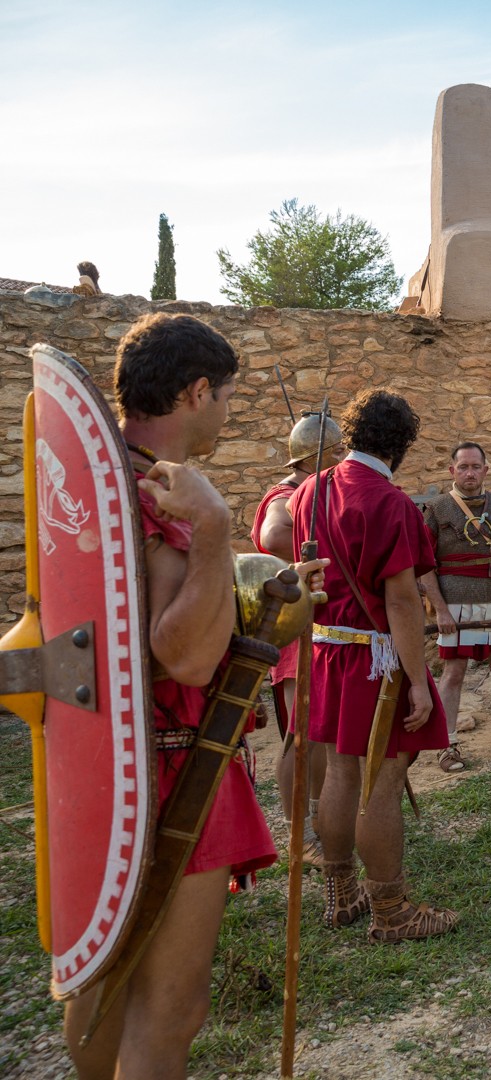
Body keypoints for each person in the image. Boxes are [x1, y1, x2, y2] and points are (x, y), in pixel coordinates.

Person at [64, 313, 285, 1075]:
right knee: (168, 1009)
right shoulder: (168, 498)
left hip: (98, 768)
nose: (227, 412)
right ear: (196, 393)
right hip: (175, 772)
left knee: (104, 986)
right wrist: (219, 525)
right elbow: (184, 659)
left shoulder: (96, 481)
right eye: (225, 396)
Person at [291, 389, 458, 943]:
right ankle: (390, 909)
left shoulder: (309, 490)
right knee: (381, 778)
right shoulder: (390, 503)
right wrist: (418, 681)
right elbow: (402, 601)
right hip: (373, 656)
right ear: (403, 444)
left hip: (325, 648)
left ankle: (341, 894)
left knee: (340, 772)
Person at [253, 411, 343, 859]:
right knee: (301, 732)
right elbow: (273, 534)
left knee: (320, 731)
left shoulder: (314, 492)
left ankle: (316, 820)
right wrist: (321, 546)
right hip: (295, 625)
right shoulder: (286, 495)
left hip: (318, 624)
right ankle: (297, 832)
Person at [418, 441, 491, 771]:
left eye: (476, 467)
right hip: (454, 604)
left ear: (485, 470)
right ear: (452, 470)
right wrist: (440, 609)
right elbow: (425, 564)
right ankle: (447, 743)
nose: (470, 472)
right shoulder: (437, 509)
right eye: (463, 467)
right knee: (454, 673)